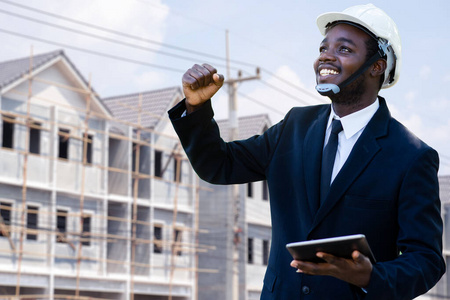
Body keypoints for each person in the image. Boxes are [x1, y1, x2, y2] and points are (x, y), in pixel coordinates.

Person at [168, 4, 445, 300]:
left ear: (377, 66)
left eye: (344, 49)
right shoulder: (294, 127)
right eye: (324, 48)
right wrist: (195, 107)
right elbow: (218, 165)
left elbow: (425, 260)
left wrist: (370, 276)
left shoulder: (411, 156)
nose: (326, 56)